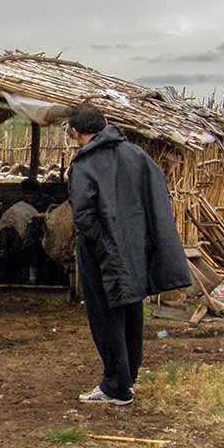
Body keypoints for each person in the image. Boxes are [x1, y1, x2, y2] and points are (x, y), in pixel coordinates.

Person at [67, 104, 190, 405]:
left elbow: (83, 216)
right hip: (135, 246)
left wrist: (101, 244)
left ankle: (116, 386)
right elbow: (156, 194)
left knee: (105, 315)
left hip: (103, 253)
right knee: (132, 310)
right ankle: (128, 377)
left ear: (75, 132)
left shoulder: (85, 164)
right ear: (105, 123)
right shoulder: (137, 156)